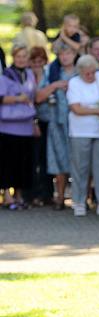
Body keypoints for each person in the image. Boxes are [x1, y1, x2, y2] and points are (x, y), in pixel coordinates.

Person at [67, 54, 99, 217]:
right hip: (80, 132)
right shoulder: (74, 83)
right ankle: (79, 201)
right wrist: (97, 110)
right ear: (80, 72)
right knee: (81, 167)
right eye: (87, 73)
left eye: (92, 72)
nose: (91, 76)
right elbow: (76, 108)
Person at [0, 45, 37, 210]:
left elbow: (33, 95)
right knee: (8, 162)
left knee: (23, 163)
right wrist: (17, 99)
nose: (21, 59)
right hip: (8, 127)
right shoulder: (6, 75)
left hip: (26, 126)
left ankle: (19, 195)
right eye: (18, 56)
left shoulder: (29, 74)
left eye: (24, 56)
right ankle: (7, 195)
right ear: (13, 57)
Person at [43, 41, 76, 210]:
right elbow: (39, 96)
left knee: (78, 161)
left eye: (68, 53)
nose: (65, 57)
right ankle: (60, 197)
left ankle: (80, 198)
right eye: (62, 54)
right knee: (58, 160)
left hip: (77, 124)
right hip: (57, 122)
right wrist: (55, 85)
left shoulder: (80, 72)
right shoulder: (52, 72)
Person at [29, 46, 55, 207]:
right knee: (33, 159)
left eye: (41, 61)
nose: (38, 64)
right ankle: (32, 194)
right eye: (34, 61)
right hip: (30, 121)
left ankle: (47, 194)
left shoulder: (49, 74)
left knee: (46, 159)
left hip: (47, 120)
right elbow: (37, 98)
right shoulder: (26, 76)